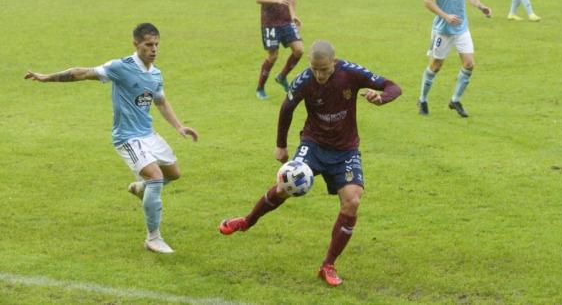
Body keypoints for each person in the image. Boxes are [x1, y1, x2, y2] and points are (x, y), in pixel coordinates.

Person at [218, 40, 401, 286]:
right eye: (315, 69)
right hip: (313, 144)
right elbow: (287, 108)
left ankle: (328, 265)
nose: (319, 75)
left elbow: (393, 87)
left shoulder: (351, 73)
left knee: (352, 201)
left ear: (334, 63)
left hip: (346, 150)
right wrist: (281, 145)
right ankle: (246, 221)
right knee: (285, 187)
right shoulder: (305, 80)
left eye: (324, 70)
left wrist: (381, 97)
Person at [24, 23, 198, 254]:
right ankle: (153, 238)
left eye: (156, 44)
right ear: (136, 44)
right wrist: (47, 78)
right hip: (127, 137)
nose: (154, 49)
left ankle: (140, 188)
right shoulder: (120, 67)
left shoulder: (155, 73)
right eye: (148, 45)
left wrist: (179, 126)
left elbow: (160, 102)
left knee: (173, 174)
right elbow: (82, 72)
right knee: (156, 178)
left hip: (148, 134)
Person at [418, 0, 491, 118]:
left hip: (461, 28)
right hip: (442, 29)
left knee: (469, 64)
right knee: (435, 66)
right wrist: (446, 16)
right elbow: (427, 1)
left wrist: (481, 7)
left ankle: (455, 100)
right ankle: (422, 99)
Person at [255, 0, 304, 100]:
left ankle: (282, 76)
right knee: (273, 56)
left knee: (299, 50)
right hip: (270, 22)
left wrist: (294, 14)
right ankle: (260, 87)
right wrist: (277, 0)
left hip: (286, 20)